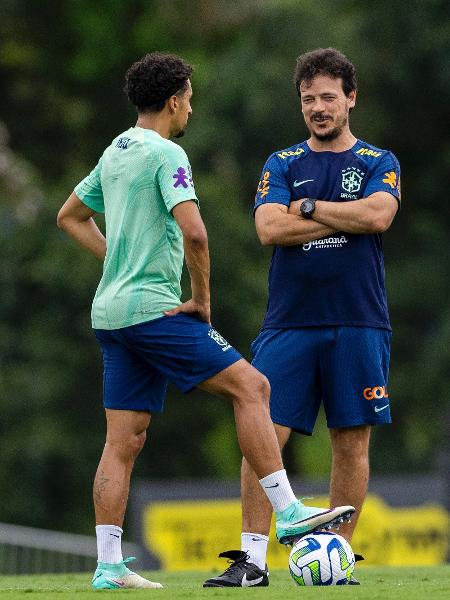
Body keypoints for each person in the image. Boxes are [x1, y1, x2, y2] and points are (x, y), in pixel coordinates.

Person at [56, 52, 354, 590]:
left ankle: (108, 566)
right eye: (189, 99)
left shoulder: (117, 148)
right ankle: (288, 512)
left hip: (111, 313)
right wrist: (202, 300)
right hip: (154, 310)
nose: (190, 108)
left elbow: (69, 216)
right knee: (253, 386)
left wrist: (117, 263)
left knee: (123, 440)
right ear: (174, 101)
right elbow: (195, 232)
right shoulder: (167, 153)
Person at [204, 47, 400, 587]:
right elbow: (268, 229)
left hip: (360, 320)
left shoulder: (379, 161)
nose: (318, 107)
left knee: (351, 440)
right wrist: (347, 220)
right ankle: (252, 560)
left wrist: (308, 209)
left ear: (350, 99)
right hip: (289, 322)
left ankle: (338, 559)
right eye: (308, 98)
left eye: (328, 97)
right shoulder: (282, 162)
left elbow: (379, 215)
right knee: (263, 434)